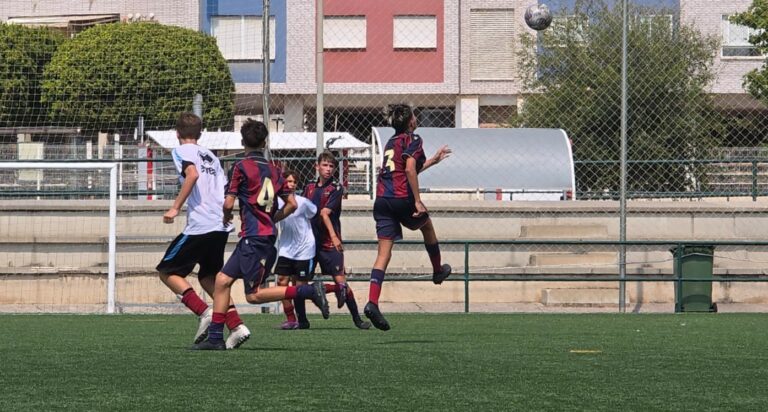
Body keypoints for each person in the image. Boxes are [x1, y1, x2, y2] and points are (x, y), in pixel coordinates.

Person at [192, 119, 329, 350]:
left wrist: (226, 216)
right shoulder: (275, 170)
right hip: (261, 236)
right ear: (265, 142)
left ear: (242, 141)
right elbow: (293, 204)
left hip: (254, 238)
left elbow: (228, 202)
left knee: (253, 295)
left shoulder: (241, 167)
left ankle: (307, 290)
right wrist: (272, 218)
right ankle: (215, 338)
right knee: (222, 281)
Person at [156, 112, 250, 349]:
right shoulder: (212, 156)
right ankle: (237, 326)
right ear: (200, 133)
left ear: (177, 134)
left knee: (167, 271)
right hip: (219, 225)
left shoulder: (181, 152)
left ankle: (204, 312)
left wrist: (175, 207)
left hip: (201, 225)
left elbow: (192, 175)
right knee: (210, 278)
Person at [364, 104, 452, 331]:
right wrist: (417, 200)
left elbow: (402, 170)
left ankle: (372, 302)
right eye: (414, 115)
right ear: (410, 121)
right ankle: (437, 271)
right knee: (428, 226)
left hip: (382, 200)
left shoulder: (390, 143)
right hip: (401, 199)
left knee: (383, 254)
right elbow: (410, 170)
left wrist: (432, 160)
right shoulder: (413, 138)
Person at [304, 151, 371, 330]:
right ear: (317, 166)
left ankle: (357, 319)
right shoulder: (309, 186)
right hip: (309, 242)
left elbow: (325, 213)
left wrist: (334, 237)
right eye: (324, 165)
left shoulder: (336, 188)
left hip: (329, 243)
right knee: (300, 281)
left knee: (341, 281)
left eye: (331, 166)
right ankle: (302, 320)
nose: (327, 169)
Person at [274, 170, 317, 330]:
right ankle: (291, 319)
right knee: (282, 283)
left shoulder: (303, 202)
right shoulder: (277, 202)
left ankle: (303, 320)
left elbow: (314, 213)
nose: (291, 185)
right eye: (288, 181)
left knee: (300, 287)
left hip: (304, 248)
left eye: (294, 182)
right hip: (286, 248)